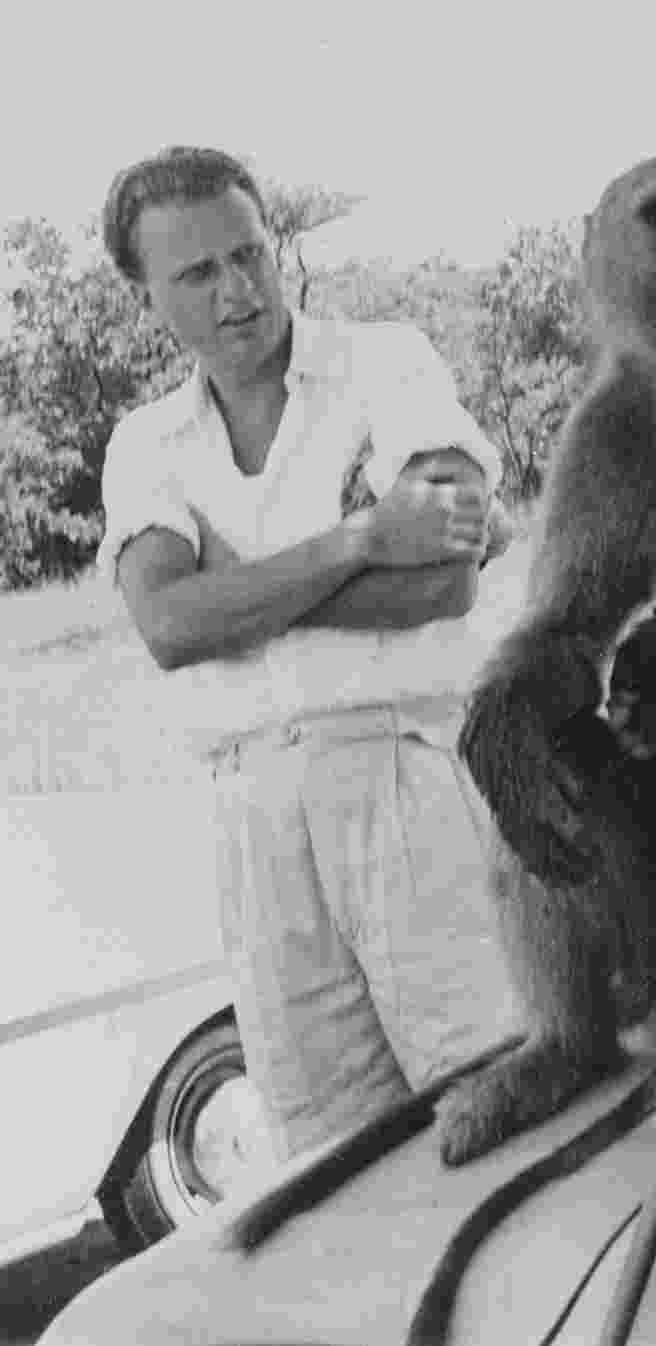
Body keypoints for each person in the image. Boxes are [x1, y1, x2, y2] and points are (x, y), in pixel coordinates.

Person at [97, 145, 525, 1165]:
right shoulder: (146, 444)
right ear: (145, 293)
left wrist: (237, 587)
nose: (238, 291)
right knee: (331, 1157)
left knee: (496, 1091)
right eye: (197, 274)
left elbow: (446, 580)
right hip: (253, 813)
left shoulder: (384, 363)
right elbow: (169, 626)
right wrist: (356, 539)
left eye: (249, 254)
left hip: (399, 777)